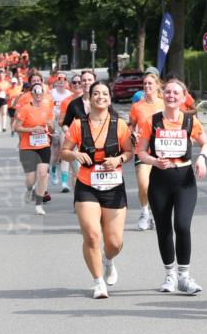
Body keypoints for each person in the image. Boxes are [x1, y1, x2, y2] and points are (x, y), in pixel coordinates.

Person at [138, 77, 207, 294]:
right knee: (164, 229)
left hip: (184, 179)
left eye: (175, 93)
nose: (171, 96)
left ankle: (184, 277)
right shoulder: (151, 121)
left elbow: (205, 142)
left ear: (183, 97)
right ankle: (169, 275)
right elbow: (140, 151)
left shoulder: (189, 121)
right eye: (167, 92)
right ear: (163, 95)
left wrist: (201, 158)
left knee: (182, 226)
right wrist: (153, 161)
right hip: (160, 179)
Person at [61, 81, 132, 298]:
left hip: (113, 186)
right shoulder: (77, 125)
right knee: (92, 235)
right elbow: (64, 152)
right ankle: (98, 281)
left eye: (104, 94)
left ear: (109, 99)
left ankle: (108, 260)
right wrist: (74, 155)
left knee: (114, 242)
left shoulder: (119, 125)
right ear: (89, 98)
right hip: (87, 184)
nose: (100, 97)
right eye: (96, 94)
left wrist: (119, 158)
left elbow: (129, 152)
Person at [128, 70, 164, 230]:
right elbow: (131, 125)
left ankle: (157, 214)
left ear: (157, 85)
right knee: (143, 183)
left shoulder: (165, 103)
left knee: (160, 186)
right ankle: (144, 212)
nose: (147, 86)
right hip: (142, 149)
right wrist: (132, 132)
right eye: (145, 84)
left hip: (163, 150)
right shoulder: (137, 106)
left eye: (150, 83)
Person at [13, 82, 54, 216]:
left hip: (43, 145)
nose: (39, 95)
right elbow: (16, 127)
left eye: (41, 93)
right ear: (32, 94)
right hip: (27, 147)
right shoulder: (25, 109)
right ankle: (29, 189)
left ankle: (39, 204)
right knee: (31, 178)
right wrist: (31, 130)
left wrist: (50, 126)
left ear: (44, 94)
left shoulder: (47, 107)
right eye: (36, 93)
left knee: (42, 174)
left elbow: (52, 127)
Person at [49, 72, 73, 191]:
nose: (61, 81)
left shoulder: (70, 94)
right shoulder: (51, 93)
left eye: (64, 79)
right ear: (56, 81)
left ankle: (64, 183)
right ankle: (53, 169)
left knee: (64, 151)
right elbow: (47, 108)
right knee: (55, 152)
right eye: (59, 79)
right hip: (54, 124)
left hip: (65, 124)